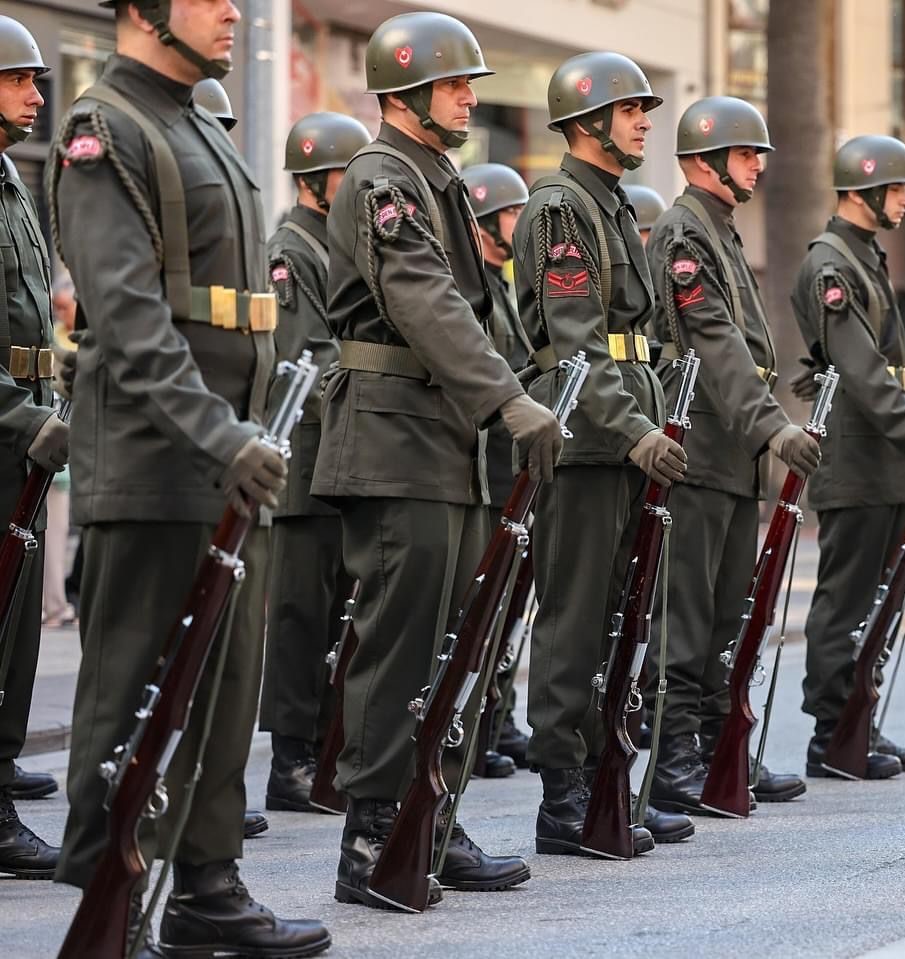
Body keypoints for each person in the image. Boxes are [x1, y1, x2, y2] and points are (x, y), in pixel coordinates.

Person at [49, 1, 329, 954]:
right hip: (155, 457)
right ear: (139, 10)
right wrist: (219, 434)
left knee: (219, 689)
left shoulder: (198, 120)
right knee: (133, 695)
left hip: (224, 458)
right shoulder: (106, 129)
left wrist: (238, 438)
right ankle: (107, 906)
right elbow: (127, 317)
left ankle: (208, 884)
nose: (231, 10)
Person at [314, 12, 564, 908]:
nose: (470, 95)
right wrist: (506, 400)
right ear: (406, 91)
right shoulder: (385, 181)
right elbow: (423, 301)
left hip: (439, 438)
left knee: (449, 646)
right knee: (397, 645)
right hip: (391, 437)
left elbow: (479, 312)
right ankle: (374, 835)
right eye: (457, 83)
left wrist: (520, 387)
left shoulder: (436, 179)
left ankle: (429, 812)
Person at [512, 50, 693, 857]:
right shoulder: (559, 207)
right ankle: (564, 792)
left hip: (621, 438)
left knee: (621, 616)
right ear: (588, 121)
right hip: (590, 442)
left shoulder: (609, 204)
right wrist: (636, 430)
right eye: (630, 110)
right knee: (575, 618)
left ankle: (600, 773)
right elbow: (577, 348)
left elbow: (634, 340)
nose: (645, 121)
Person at [642, 96, 815, 813]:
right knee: (685, 617)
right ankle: (674, 758)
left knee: (724, 616)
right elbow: (716, 345)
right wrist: (774, 428)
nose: (759, 165)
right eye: (747, 154)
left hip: (731, 454)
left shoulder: (719, 230)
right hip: (703, 451)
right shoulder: (685, 232)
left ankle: (719, 754)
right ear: (704, 159)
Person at [791, 134, 905, 780]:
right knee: (846, 599)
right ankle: (831, 730)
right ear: (862, 191)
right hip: (858, 457)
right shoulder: (833, 263)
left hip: (885, 458)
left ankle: (858, 718)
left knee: (877, 600)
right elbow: (863, 372)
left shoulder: (864, 255)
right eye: (897, 189)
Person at [259, 111, 370, 813]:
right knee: (302, 611)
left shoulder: (333, 243)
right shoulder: (291, 251)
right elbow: (308, 356)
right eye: (345, 175)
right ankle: (291, 757)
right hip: (306, 457)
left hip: (346, 452)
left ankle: (324, 742)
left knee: (336, 610)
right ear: (315, 179)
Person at [0, 13, 66, 881]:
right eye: (19, 78)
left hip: (25, 430)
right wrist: (28, 417)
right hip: (9, 427)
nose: (36, 93)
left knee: (17, 626)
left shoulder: (13, 177)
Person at [461, 160, 536, 776]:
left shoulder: (503, 285)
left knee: (510, 609)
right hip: (488, 471)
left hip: (511, 471)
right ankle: (474, 722)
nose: (520, 223)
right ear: (485, 222)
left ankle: (497, 713)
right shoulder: (474, 287)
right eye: (511, 213)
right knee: (482, 610)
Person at [44, 273, 78, 628]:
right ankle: (53, 606)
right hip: (56, 446)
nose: (62, 313)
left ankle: (54, 604)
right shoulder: (57, 341)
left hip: (69, 451)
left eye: (66, 307)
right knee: (53, 535)